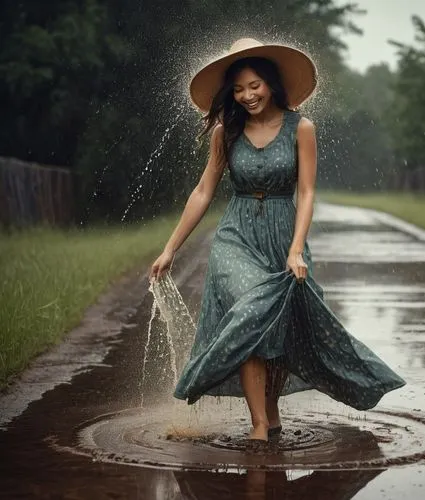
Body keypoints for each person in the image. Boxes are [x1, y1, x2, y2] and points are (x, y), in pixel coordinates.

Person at [149, 38, 405, 447]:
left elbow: (306, 192)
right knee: (251, 313)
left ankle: (271, 411)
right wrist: (170, 248)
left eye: (254, 86)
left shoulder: (301, 128)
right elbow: (202, 191)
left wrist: (296, 248)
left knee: (278, 329)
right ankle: (258, 425)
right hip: (237, 236)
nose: (247, 96)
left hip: (285, 235)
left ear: (270, 84)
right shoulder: (225, 132)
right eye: (238, 89)